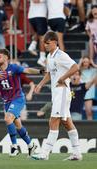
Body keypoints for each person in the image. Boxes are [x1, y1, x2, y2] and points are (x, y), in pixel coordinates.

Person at [32, 31, 82, 161]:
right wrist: (40, 84)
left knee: (53, 120)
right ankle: (77, 153)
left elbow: (75, 67)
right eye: (44, 44)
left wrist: (63, 77)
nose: (46, 46)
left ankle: (45, 153)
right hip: (56, 93)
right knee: (66, 122)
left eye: (48, 43)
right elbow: (49, 73)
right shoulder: (50, 56)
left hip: (62, 91)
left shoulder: (61, 55)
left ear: (55, 42)